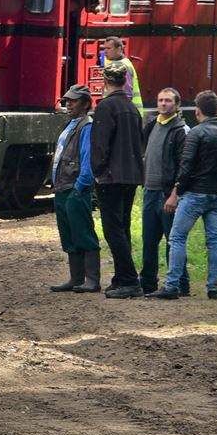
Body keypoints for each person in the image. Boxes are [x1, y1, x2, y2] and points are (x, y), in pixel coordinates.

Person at [151, 90, 217, 301]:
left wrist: (177, 193)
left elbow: (186, 166)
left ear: (197, 111)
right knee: (214, 240)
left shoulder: (196, 133)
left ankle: (172, 285)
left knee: (178, 237)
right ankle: (213, 287)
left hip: (195, 194)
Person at [91, 64, 146, 299]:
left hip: (111, 177)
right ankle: (122, 277)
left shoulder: (106, 107)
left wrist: (97, 170)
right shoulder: (131, 108)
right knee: (122, 227)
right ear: (125, 81)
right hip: (131, 176)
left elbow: (101, 144)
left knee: (113, 229)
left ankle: (129, 279)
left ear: (105, 81)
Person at [48, 84, 102, 293]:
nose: (68, 104)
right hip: (64, 187)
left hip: (75, 187)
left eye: (73, 101)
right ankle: (76, 278)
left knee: (83, 232)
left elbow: (87, 160)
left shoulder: (86, 127)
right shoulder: (70, 125)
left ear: (86, 104)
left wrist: (80, 186)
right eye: (66, 100)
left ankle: (92, 280)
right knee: (68, 234)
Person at [139, 88, 191, 296]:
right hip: (150, 192)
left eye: (168, 101)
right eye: (160, 100)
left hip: (167, 193)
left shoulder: (181, 130)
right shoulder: (151, 125)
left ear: (177, 105)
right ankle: (148, 283)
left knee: (173, 240)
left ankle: (180, 284)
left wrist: (175, 194)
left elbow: (184, 165)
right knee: (149, 240)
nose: (163, 104)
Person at [101, 36, 144, 113]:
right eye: (104, 48)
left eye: (109, 48)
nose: (105, 51)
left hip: (127, 113)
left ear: (119, 49)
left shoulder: (123, 66)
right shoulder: (116, 64)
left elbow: (127, 94)